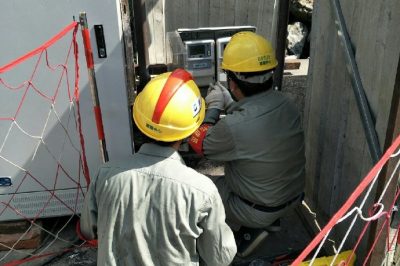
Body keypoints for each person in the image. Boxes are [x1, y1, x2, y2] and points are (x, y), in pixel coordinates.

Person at [78, 69, 237, 265]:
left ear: (138, 120)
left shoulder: (105, 175)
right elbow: (220, 257)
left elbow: (88, 230)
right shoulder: (201, 190)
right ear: (189, 130)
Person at [189, 31, 306, 257]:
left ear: (232, 83)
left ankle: (227, 240)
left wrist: (213, 107)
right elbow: (253, 117)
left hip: (256, 209)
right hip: (292, 197)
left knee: (195, 188)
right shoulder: (287, 103)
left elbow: (201, 144)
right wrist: (230, 102)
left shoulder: (233, 127)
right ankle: (266, 224)